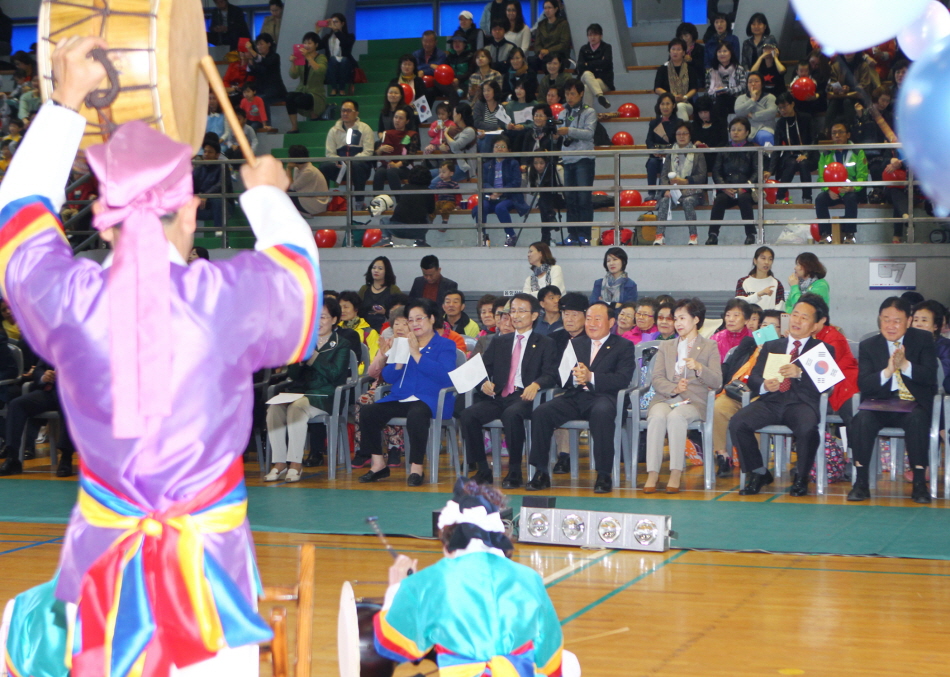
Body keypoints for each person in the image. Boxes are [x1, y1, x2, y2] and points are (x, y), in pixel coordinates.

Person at [0, 35, 321, 672]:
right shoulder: (227, 299)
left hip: (96, 571)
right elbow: (302, 288)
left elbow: (17, 216)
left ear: (99, 212)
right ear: (193, 211)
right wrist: (268, 196)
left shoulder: (69, 300)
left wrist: (64, 104)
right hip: (210, 590)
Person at [373, 480, 571, 677]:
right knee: (570, 662)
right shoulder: (529, 578)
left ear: (448, 541)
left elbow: (392, 644)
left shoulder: (430, 581)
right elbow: (549, 656)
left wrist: (396, 590)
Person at [731, 294, 834, 497]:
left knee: (807, 428)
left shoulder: (822, 350)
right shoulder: (772, 346)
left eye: (804, 318)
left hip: (802, 403)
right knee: (738, 423)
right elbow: (753, 378)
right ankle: (759, 472)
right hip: (772, 400)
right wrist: (763, 385)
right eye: (795, 315)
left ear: (815, 325)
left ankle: (801, 477)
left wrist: (801, 373)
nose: (796, 320)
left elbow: (826, 385)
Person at [527, 303, 636, 493]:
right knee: (542, 412)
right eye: (588, 319)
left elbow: (622, 379)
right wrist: (572, 378)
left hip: (605, 397)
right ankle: (541, 471)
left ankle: (603, 474)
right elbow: (562, 377)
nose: (591, 324)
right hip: (576, 395)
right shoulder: (576, 343)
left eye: (597, 319)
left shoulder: (623, 346)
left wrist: (591, 377)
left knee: (602, 413)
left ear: (611, 322)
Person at [459, 293, 558, 486]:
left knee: (512, 415)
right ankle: (483, 469)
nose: (516, 315)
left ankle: (514, 471)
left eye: (522, 311)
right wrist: (483, 383)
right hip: (500, 395)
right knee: (468, 415)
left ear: (535, 315)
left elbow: (551, 374)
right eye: (513, 311)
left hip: (526, 396)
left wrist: (537, 384)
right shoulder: (500, 341)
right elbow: (482, 369)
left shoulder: (546, 343)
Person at [847, 297, 938, 504]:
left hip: (912, 403)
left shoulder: (923, 340)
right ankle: (861, 482)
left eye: (897, 320)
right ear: (879, 320)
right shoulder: (869, 345)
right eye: (886, 319)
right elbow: (865, 385)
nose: (890, 325)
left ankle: (919, 484)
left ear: (908, 321)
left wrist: (904, 364)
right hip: (879, 403)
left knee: (917, 420)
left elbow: (929, 377)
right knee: (861, 419)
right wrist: (888, 370)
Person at [358, 299, 457, 486]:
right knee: (368, 412)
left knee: (417, 414)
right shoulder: (403, 343)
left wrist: (416, 354)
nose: (414, 324)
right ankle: (378, 464)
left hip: (432, 400)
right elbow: (389, 377)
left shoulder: (445, 345)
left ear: (432, 319)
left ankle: (416, 468)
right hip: (402, 397)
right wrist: (395, 359)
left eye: (419, 319)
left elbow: (446, 377)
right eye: (411, 320)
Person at [264, 298, 349, 483]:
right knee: (274, 409)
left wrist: (314, 356)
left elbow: (334, 374)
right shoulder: (303, 341)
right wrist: (298, 357)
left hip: (326, 395)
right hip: (300, 392)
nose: (318, 322)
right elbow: (293, 375)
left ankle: (295, 463)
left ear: (334, 319)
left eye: (323, 317)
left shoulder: (342, 344)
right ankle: (279, 463)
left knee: (296, 408)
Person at [644, 298, 722, 493]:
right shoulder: (667, 346)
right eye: (675, 319)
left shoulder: (709, 346)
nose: (677, 323)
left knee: (676, 417)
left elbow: (717, 382)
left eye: (682, 318)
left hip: (694, 401)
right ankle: (652, 472)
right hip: (667, 397)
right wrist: (674, 389)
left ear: (696, 320)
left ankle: (676, 471)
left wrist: (699, 368)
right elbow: (657, 378)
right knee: (656, 416)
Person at [708, 116, 759, 245]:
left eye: (739, 130)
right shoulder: (723, 150)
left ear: (747, 132)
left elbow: (756, 172)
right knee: (719, 200)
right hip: (727, 190)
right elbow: (716, 172)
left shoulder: (753, 150)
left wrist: (745, 187)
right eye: (733, 129)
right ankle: (712, 235)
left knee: (744, 199)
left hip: (746, 190)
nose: (735, 132)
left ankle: (751, 234)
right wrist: (724, 187)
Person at [814, 122, 868, 244]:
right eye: (834, 133)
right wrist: (828, 190)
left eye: (840, 132)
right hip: (833, 192)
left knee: (851, 198)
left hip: (851, 191)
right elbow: (821, 178)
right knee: (820, 199)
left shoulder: (858, 152)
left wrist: (852, 188)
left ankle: (849, 235)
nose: (837, 135)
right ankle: (825, 235)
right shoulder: (826, 153)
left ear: (848, 135)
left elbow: (862, 176)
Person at [654, 121, 707, 245]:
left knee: (688, 202)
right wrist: (666, 189)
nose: (682, 136)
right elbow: (664, 175)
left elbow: (702, 176)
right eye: (679, 134)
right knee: (663, 201)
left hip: (693, 192)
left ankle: (693, 236)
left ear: (690, 135)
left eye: (685, 133)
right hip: (673, 192)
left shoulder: (698, 153)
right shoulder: (670, 153)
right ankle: (659, 236)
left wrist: (685, 181)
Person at [557, 79, 597, 244]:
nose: (569, 97)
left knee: (583, 198)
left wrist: (569, 130)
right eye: (567, 93)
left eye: (573, 93)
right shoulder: (562, 113)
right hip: (567, 159)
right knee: (570, 199)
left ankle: (585, 235)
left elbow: (589, 133)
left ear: (581, 94)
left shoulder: (589, 112)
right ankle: (572, 235)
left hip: (584, 159)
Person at [472, 135, 528, 245]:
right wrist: (493, 192)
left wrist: (500, 191)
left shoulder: (513, 163)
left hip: (509, 197)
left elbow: (516, 182)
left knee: (500, 207)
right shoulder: (487, 165)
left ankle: (511, 235)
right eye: (496, 146)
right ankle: (482, 236)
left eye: (503, 146)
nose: (499, 149)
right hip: (491, 196)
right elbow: (483, 182)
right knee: (480, 207)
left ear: (509, 150)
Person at [320, 99, 374, 209]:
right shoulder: (333, 131)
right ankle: (324, 201)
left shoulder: (365, 128)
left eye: (349, 111)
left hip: (359, 166)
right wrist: (341, 161)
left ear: (356, 113)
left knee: (357, 165)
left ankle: (359, 202)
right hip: (341, 167)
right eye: (343, 110)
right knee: (324, 166)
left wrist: (350, 161)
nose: (345, 113)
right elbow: (329, 153)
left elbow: (368, 152)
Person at [765, 92, 814, 204]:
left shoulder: (806, 118)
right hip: (790, 156)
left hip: (809, 154)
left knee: (803, 163)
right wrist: (770, 170)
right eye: (780, 108)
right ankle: (780, 197)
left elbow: (814, 139)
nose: (782, 110)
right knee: (791, 163)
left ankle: (807, 198)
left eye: (785, 106)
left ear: (792, 104)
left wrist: (806, 154)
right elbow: (776, 148)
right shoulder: (780, 123)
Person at [377, 165, 435, 247]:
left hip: (397, 229)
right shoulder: (428, 192)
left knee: (383, 220)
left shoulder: (404, 188)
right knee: (425, 217)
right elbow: (431, 210)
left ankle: (386, 239)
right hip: (418, 231)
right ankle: (420, 241)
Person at [826, 52, 880, 132]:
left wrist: (850, 89)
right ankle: (826, 130)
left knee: (847, 102)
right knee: (834, 102)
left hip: (857, 98)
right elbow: (831, 83)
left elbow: (864, 86)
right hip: (840, 97)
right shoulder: (836, 66)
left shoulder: (863, 65)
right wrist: (835, 88)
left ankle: (851, 130)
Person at [285, 32, 327, 133]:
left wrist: (308, 57)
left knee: (301, 100)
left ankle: (314, 113)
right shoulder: (301, 58)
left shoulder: (321, 58)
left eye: (309, 43)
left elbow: (320, 70)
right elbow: (293, 75)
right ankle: (294, 126)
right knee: (289, 97)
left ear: (316, 45)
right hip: (302, 90)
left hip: (315, 93)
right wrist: (293, 63)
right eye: (305, 43)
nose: (306, 46)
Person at [245, 33, 287, 123]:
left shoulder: (274, 57)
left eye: (261, 44)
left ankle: (266, 124)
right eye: (257, 44)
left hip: (275, 91)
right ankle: (250, 123)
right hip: (261, 90)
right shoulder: (257, 59)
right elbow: (250, 72)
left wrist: (252, 51)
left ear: (269, 44)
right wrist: (249, 59)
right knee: (248, 97)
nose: (258, 47)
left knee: (262, 99)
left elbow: (265, 62)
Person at [654, 38, 699, 121]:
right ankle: (662, 132)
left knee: (680, 106)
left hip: (686, 102)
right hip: (667, 102)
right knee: (664, 107)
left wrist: (684, 97)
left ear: (684, 52)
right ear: (669, 51)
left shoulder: (690, 69)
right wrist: (671, 97)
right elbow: (657, 88)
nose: (675, 52)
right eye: (673, 49)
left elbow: (694, 88)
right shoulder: (663, 69)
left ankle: (683, 131)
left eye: (678, 49)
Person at [705, 39, 747, 126]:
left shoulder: (739, 69)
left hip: (736, 100)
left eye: (725, 51)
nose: (722, 54)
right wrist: (717, 92)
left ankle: (721, 128)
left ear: (731, 53)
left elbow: (743, 87)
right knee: (720, 99)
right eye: (719, 51)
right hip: (717, 101)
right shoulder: (711, 72)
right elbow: (708, 91)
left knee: (723, 98)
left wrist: (727, 91)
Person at [192, 137, 231, 230]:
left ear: (217, 155)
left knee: (217, 199)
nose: (206, 154)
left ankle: (220, 232)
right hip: (204, 205)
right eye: (205, 151)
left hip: (223, 206)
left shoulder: (223, 167)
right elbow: (191, 185)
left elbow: (221, 184)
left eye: (210, 152)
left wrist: (206, 195)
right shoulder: (198, 168)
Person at [912, 300, 950, 395]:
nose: (918, 324)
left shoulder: (945, 347)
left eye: (924, 320)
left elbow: (942, 376)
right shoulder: (905, 344)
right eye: (915, 320)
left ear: (935, 326)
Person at [645, 93, 678, 199]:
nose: (665, 107)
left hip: (671, 155)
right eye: (662, 104)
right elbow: (649, 140)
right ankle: (651, 193)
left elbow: (678, 142)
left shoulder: (679, 123)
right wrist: (653, 150)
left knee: (665, 164)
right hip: (656, 155)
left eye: (668, 104)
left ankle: (662, 192)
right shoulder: (654, 123)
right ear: (659, 106)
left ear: (673, 105)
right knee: (652, 163)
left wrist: (667, 152)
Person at [358, 256, 401, 333]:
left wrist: (385, 312)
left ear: (386, 271)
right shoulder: (364, 289)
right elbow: (357, 309)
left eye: (380, 268)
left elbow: (401, 311)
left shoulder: (393, 289)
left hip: (387, 329)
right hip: (364, 329)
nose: (376, 271)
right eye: (374, 268)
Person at [576, 24, 614, 109]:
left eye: (595, 34)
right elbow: (580, 66)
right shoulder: (583, 49)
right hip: (584, 79)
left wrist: (588, 64)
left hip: (603, 81)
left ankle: (587, 112)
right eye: (590, 35)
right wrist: (597, 64)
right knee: (586, 74)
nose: (592, 37)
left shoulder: (606, 47)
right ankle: (600, 96)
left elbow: (606, 63)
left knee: (587, 87)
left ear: (601, 36)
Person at [735, 246, 785, 310]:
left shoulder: (776, 283)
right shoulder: (742, 282)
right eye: (763, 258)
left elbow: (780, 307)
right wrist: (758, 294)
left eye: (770, 259)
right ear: (755, 261)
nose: (767, 262)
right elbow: (739, 304)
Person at [734, 72, 777, 146]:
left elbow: (772, 112)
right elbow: (738, 112)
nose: (753, 84)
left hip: (765, 128)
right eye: (750, 82)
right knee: (735, 136)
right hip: (745, 129)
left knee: (765, 136)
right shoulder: (741, 98)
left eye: (756, 81)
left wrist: (753, 115)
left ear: (762, 84)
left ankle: (769, 157)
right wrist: (753, 100)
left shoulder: (770, 97)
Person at [285, 144, 328, 217]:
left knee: (286, 194)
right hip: (307, 199)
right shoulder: (297, 169)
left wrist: (288, 169)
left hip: (316, 203)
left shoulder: (309, 171)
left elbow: (291, 187)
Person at [439, 102, 478, 182]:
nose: (453, 116)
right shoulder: (457, 131)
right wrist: (442, 147)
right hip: (450, 166)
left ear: (459, 115)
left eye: (454, 113)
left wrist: (446, 133)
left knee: (434, 183)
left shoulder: (469, 131)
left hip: (463, 168)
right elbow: (450, 146)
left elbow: (455, 146)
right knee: (427, 174)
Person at [529, 0, 571, 72]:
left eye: (549, 8)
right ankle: (533, 82)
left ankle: (550, 82)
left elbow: (564, 44)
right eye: (545, 8)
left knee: (549, 61)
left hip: (558, 54)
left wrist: (548, 51)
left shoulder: (563, 24)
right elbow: (537, 43)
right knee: (531, 60)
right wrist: (540, 52)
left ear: (556, 9)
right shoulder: (541, 24)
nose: (547, 10)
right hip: (543, 55)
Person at [339, 290, 381, 361]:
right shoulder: (334, 330)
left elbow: (372, 360)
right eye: (339, 307)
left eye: (346, 307)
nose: (342, 310)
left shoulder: (369, 333)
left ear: (356, 308)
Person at [323, 13, 356, 96]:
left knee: (344, 60)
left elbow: (346, 43)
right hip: (331, 65)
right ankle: (334, 88)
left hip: (346, 65)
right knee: (332, 59)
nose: (334, 24)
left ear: (342, 23)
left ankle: (342, 89)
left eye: (336, 22)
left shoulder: (350, 36)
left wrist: (337, 31)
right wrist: (317, 30)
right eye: (332, 22)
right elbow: (317, 46)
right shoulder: (327, 37)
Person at [473, 80, 507, 153]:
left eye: (488, 90)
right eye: (484, 91)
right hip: (482, 134)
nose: (486, 93)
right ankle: (486, 162)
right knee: (487, 139)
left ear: (495, 91)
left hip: (497, 135)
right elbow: (477, 122)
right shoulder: (480, 104)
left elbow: (502, 125)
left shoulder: (501, 106)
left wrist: (496, 128)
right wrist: (494, 127)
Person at [446, 30, 477, 95]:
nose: (457, 44)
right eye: (454, 41)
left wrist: (458, 79)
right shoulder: (449, 56)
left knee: (453, 93)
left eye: (460, 41)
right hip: (451, 83)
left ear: (464, 43)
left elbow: (470, 72)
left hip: (466, 84)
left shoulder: (471, 56)